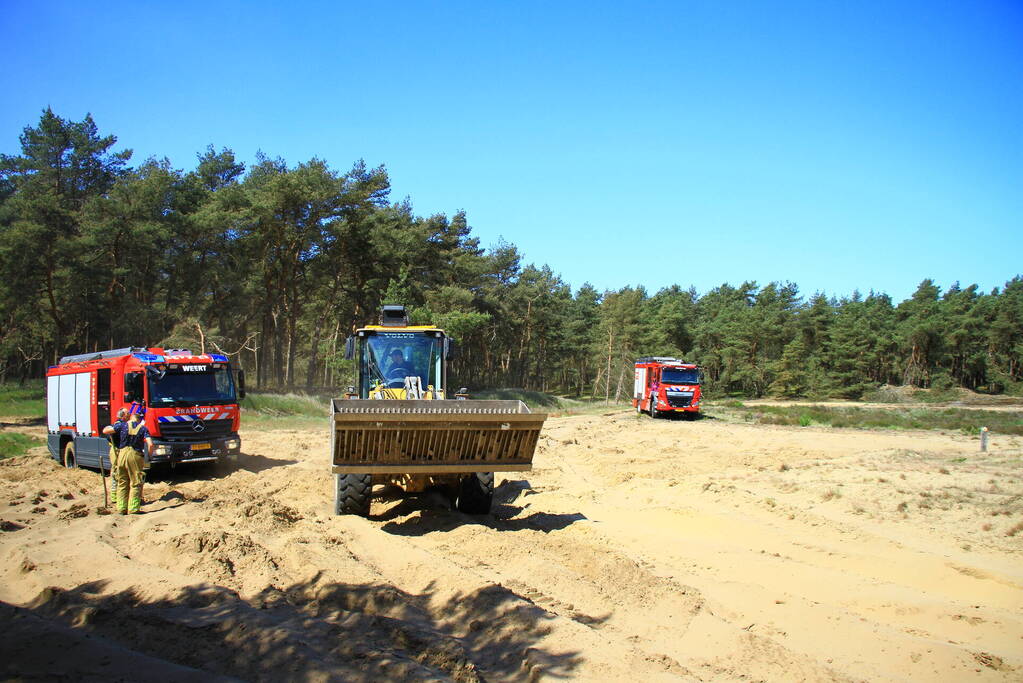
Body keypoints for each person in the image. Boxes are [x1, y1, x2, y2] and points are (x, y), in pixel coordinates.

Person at [103, 407, 153, 515]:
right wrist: (148, 456)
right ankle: (133, 508)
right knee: (136, 482)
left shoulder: (122, 425)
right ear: (139, 420)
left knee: (122, 482)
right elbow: (150, 444)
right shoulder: (143, 428)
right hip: (135, 455)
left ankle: (121, 508)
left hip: (121, 454)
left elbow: (106, 431)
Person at [103, 408, 129, 508]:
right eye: (127, 413)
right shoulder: (119, 424)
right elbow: (105, 430)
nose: (129, 414)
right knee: (116, 472)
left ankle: (121, 495)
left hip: (122, 450)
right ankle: (114, 496)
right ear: (123, 416)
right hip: (116, 450)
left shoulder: (125, 424)